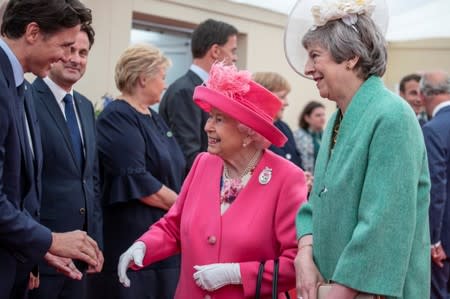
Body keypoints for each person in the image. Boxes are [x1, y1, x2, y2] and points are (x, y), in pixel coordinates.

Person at [117, 63, 308, 299]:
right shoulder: (203, 164)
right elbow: (174, 226)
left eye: (218, 119)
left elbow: (296, 263)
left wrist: (236, 273)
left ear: (248, 132)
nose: (207, 127)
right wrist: (144, 245)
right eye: (210, 117)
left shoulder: (287, 178)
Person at [284, 0, 431, 298]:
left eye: (315, 56)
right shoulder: (340, 117)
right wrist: (305, 251)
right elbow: (317, 202)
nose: (307, 68)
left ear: (350, 57)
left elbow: (384, 221)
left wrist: (340, 290)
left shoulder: (392, 116)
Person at [0, 0, 102, 297]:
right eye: (65, 45)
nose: (64, 56)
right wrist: (48, 239)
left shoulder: (19, 86)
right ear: (33, 33)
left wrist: (37, 247)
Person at [91, 44, 186, 299]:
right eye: (163, 77)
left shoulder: (154, 118)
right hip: (133, 237)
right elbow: (138, 180)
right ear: (144, 78)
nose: (166, 85)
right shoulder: (117, 117)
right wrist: (185, 208)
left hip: (162, 239)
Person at [29, 23, 103, 299]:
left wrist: (95, 243)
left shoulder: (85, 106)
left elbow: (91, 179)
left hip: (80, 258)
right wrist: (33, 254)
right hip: (43, 254)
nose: (76, 58)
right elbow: (26, 182)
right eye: (70, 49)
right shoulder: (27, 99)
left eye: (83, 52)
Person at [159, 19, 238, 171]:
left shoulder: (204, 89)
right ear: (215, 51)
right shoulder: (185, 91)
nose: (235, 58)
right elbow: (189, 155)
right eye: (233, 50)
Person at [420, 71, 450, 299]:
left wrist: (432, 240)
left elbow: (435, 189)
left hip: (444, 241)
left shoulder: (433, 130)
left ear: (423, 96)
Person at [252, 72, 302, 168]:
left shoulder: (284, 127)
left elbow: (296, 162)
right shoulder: (250, 132)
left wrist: (302, 176)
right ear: (263, 96)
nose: (287, 103)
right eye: (282, 97)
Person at [293, 101, 325, 174]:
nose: (322, 118)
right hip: (307, 178)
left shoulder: (326, 135)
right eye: (318, 115)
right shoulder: (298, 136)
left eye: (323, 115)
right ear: (307, 118)